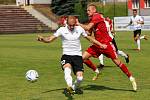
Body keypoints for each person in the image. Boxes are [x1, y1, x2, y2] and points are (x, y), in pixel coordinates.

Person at [37, 16, 106, 95]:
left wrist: (100, 44)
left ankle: (73, 88)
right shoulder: (61, 30)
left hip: (77, 56)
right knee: (67, 70)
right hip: (66, 55)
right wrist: (43, 39)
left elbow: (90, 38)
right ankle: (69, 86)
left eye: (73, 25)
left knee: (80, 78)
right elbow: (49, 39)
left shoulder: (79, 29)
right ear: (66, 22)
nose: (72, 27)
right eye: (70, 25)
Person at [77, 4, 137, 91]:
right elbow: (89, 32)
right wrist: (80, 31)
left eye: (89, 10)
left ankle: (131, 78)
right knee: (83, 58)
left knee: (118, 63)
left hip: (106, 45)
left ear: (94, 10)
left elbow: (88, 27)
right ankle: (96, 71)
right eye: (87, 10)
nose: (87, 12)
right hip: (97, 45)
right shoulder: (92, 19)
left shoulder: (97, 16)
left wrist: (78, 24)